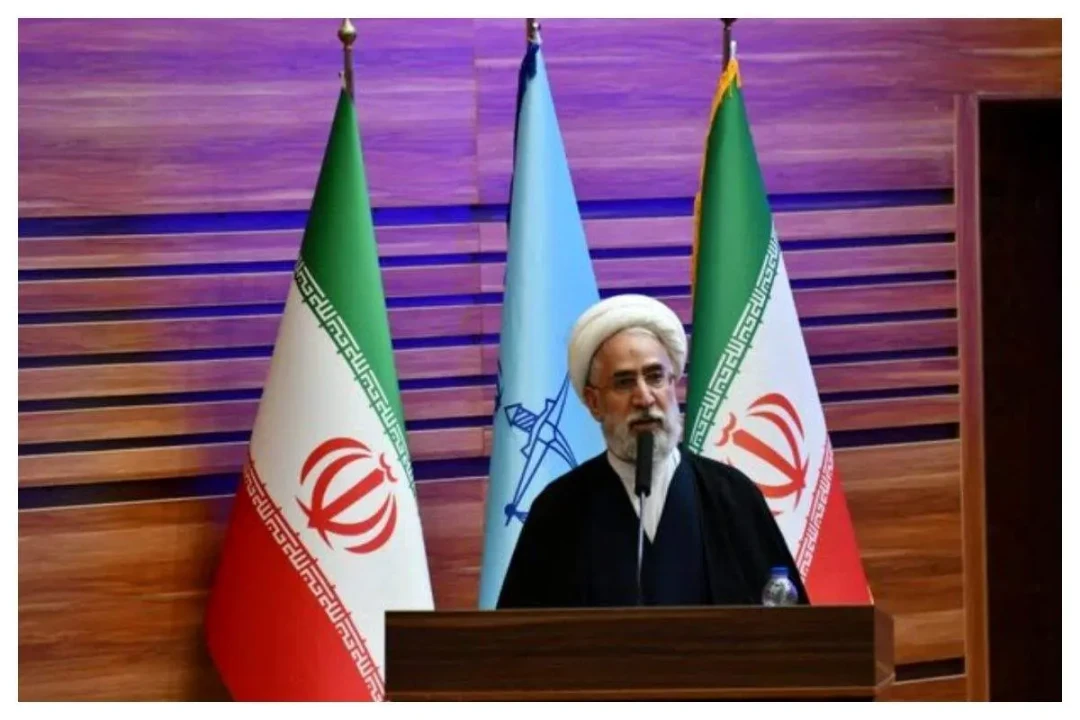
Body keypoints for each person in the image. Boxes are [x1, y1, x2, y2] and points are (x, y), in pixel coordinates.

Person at [496, 293, 809, 608]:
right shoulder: (558, 510)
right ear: (593, 402)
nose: (644, 398)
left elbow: (788, 624)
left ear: (674, 384)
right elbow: (523, 633)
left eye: (655, 377)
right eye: (624, 382)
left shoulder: (732, 496)